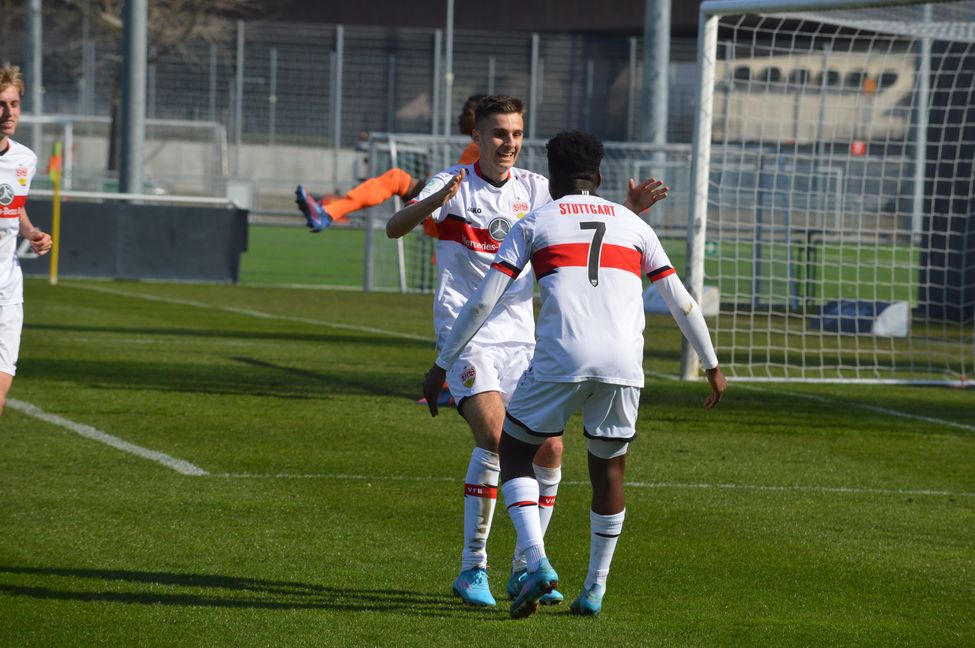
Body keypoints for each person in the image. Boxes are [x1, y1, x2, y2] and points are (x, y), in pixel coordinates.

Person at [422, 130, 726, 618]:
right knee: (608, 469)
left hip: (561, 359)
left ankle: (536, 560)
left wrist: (441, 364)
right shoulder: (634, 225)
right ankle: (594, 589)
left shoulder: (535, 221)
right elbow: (682, 301)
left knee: (516, 449)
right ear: (600, 176)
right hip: (625, 364)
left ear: (552, 177)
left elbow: (484, 299)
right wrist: (711, 365)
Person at [393, 95, 668, 608]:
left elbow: (585, 227)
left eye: (517, 135)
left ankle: (527, 567)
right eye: (499, 134)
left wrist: (629, 212)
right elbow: (395, 225)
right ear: (478, 136)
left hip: (524, 338)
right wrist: (434, 203)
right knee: (498, 438)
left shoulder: (537, 189)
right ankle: (473, 567)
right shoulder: (453, 181)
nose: (509, 144)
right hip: (466, 335)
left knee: (552, 449)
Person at [295, 94, 484, 233]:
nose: (460, 117)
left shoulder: (480, 147)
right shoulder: (477, 147)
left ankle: (326, 213)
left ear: (482, 118)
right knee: (396, 179)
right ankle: (327, 212)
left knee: (396, 179)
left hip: (464, 220)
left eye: (466, 112)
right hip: (454, 214)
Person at [0, 63, 53, 415]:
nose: (8, 113)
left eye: (14, 104)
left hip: (6, 291)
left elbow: (13, 207)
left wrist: (31, 232)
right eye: (0, 104)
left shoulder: (25, 159)